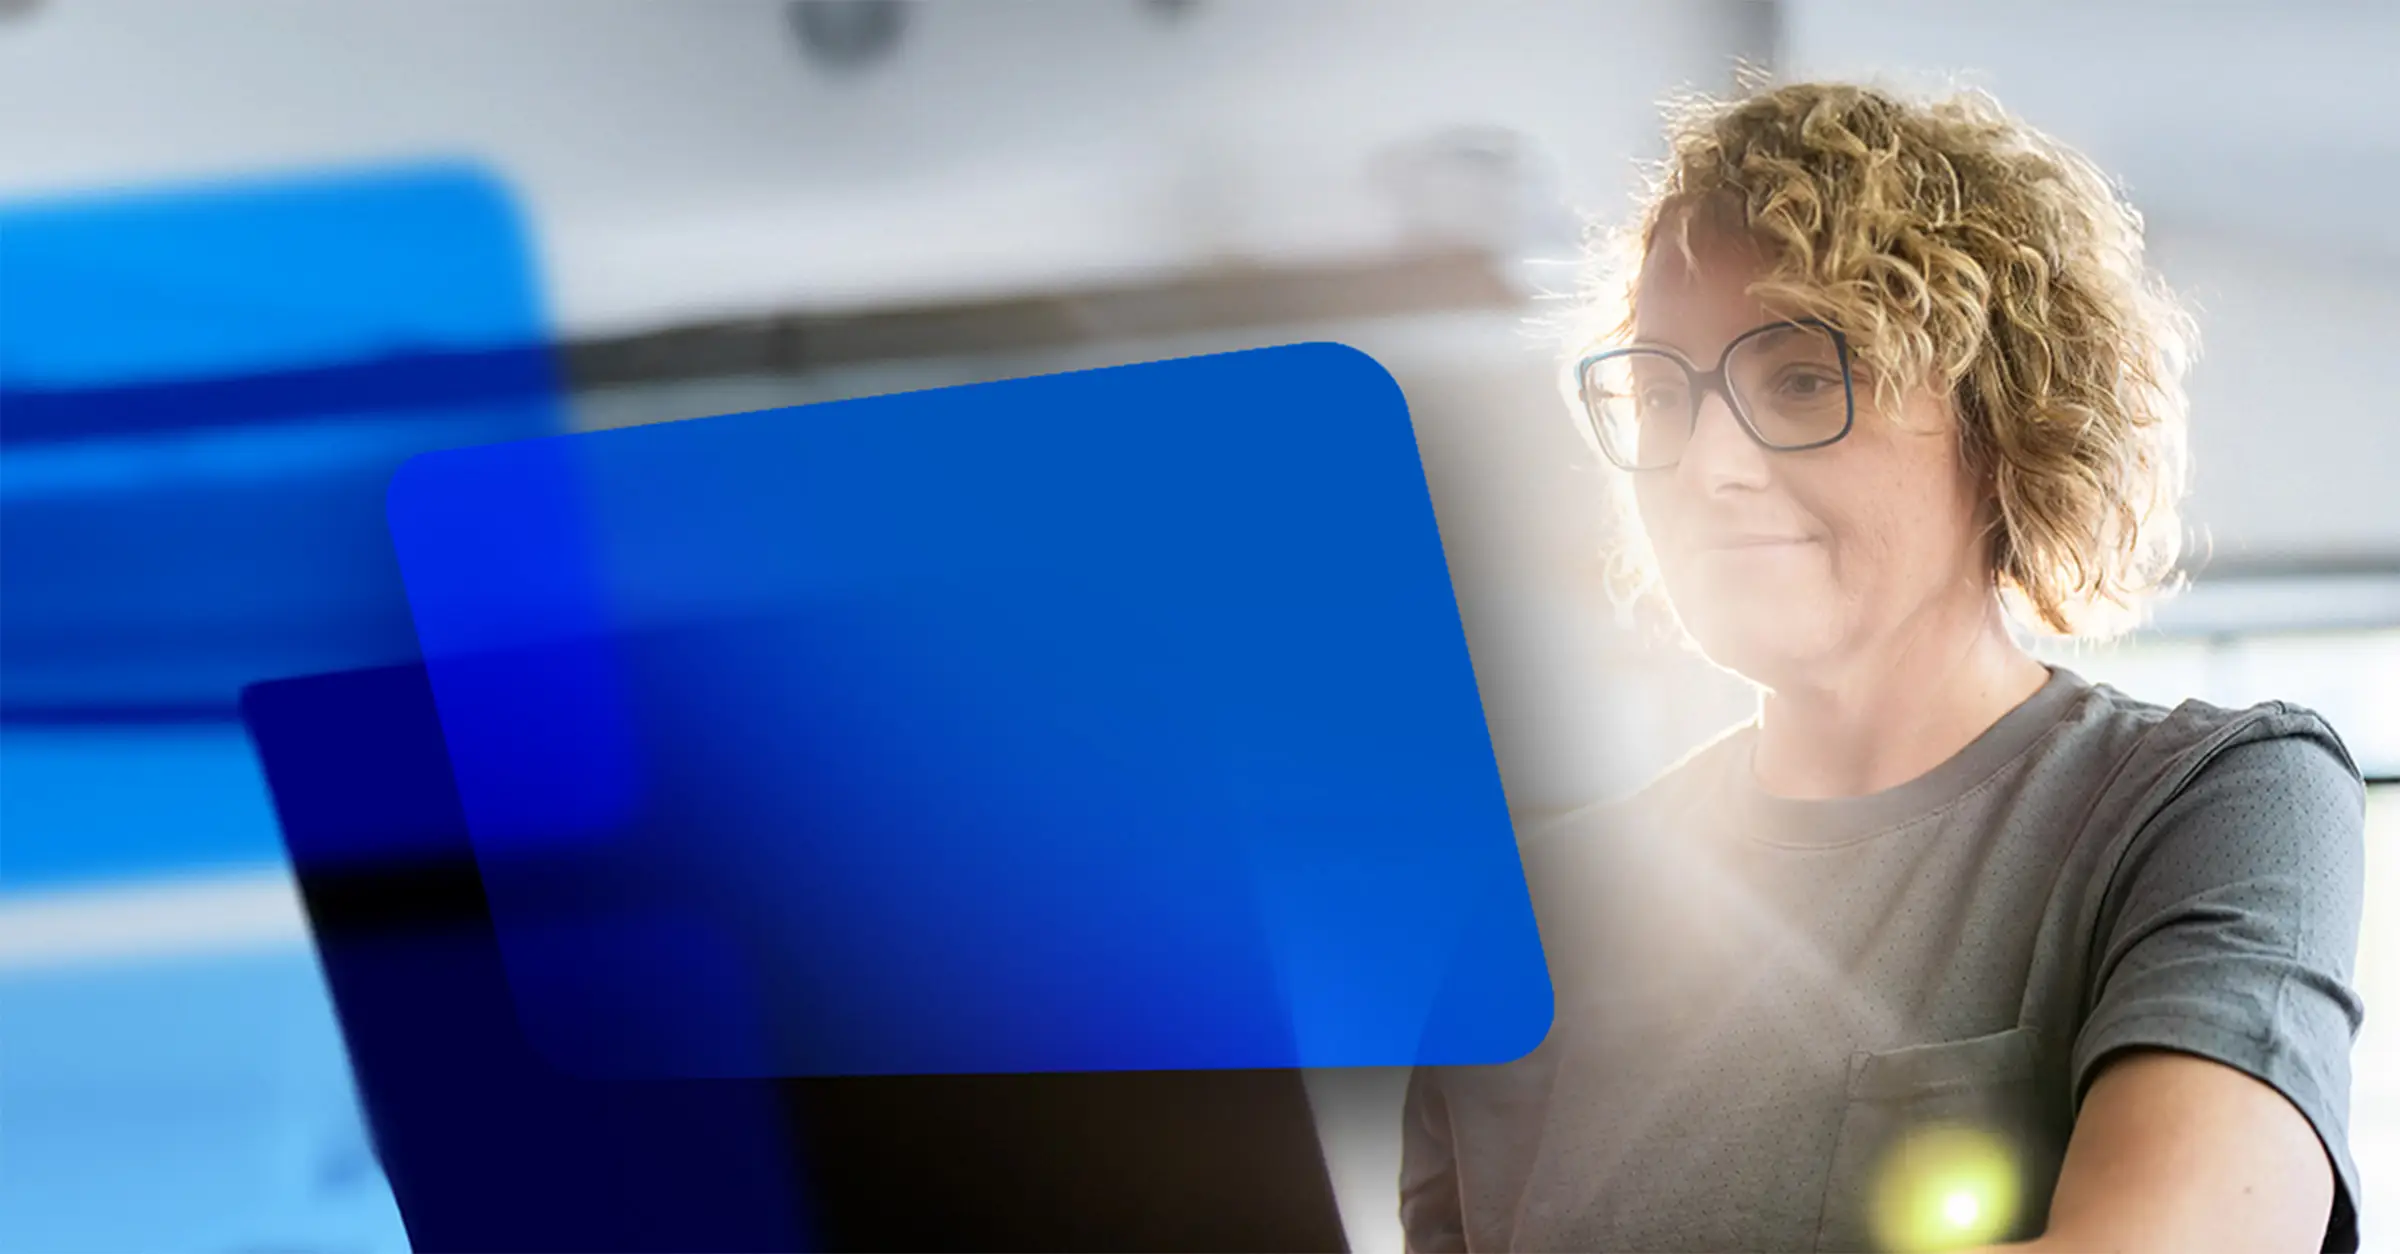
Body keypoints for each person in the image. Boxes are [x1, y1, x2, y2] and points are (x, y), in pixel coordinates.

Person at [1399, 79, 2367, 1253]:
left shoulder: (2211, 801)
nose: (1706, 468)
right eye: (1662, 393)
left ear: (2002, 417)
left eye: (1801, 379)